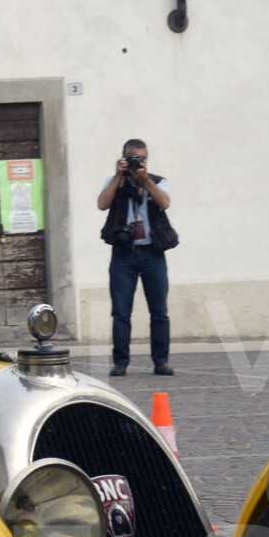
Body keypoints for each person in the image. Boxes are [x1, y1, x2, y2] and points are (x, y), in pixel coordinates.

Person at [96, 137, 176, 377]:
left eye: (142, 158)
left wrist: (145, 179)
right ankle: (120, 362)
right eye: (134, 158)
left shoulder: (157, 181)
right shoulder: (115, 181)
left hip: (153, 253)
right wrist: (118, 176)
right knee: (121, 312)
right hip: (124, 255)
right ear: (123, 158)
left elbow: (165, 202)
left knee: (159, 312)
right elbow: (102, 204)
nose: (138, 162)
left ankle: (161, 361)